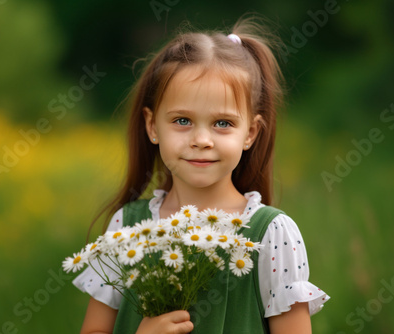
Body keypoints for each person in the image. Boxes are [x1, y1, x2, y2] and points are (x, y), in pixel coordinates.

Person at [73, 15, 330, 334]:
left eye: (223, 123)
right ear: (153, 126)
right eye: (182, 120)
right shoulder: (128, 228)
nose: (201, 140)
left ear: (250, 133)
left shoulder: (270, 234)